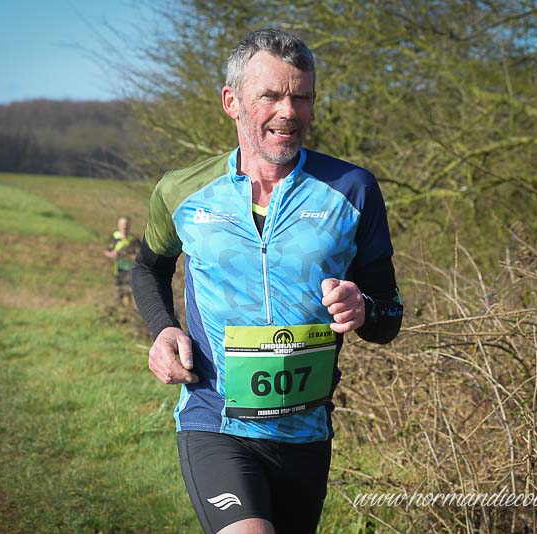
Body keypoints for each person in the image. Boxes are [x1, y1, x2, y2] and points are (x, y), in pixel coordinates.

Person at [131, 28, 403, 534]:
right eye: (271, 96)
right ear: (232, 102)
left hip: (307, 434)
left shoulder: (352, 190)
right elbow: (148, 267)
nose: (289, 112)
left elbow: (389, 314)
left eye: (302, 97)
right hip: (215, 422)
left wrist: (363, 307)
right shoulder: (183, 192)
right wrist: (163, 328)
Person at [104, 216, 138, 305]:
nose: (124, 227)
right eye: (122, 224)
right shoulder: (114, 237)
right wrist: (112, 255)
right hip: (118, 270)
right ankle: (123, 308)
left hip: (131, 270)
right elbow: (106, 252)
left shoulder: (133, 240)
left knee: (131, 291)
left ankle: (130, 309)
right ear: (118, 225)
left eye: (126, 224)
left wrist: (129, 256)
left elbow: (141, 255)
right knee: (121, 292)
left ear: (129, 226)